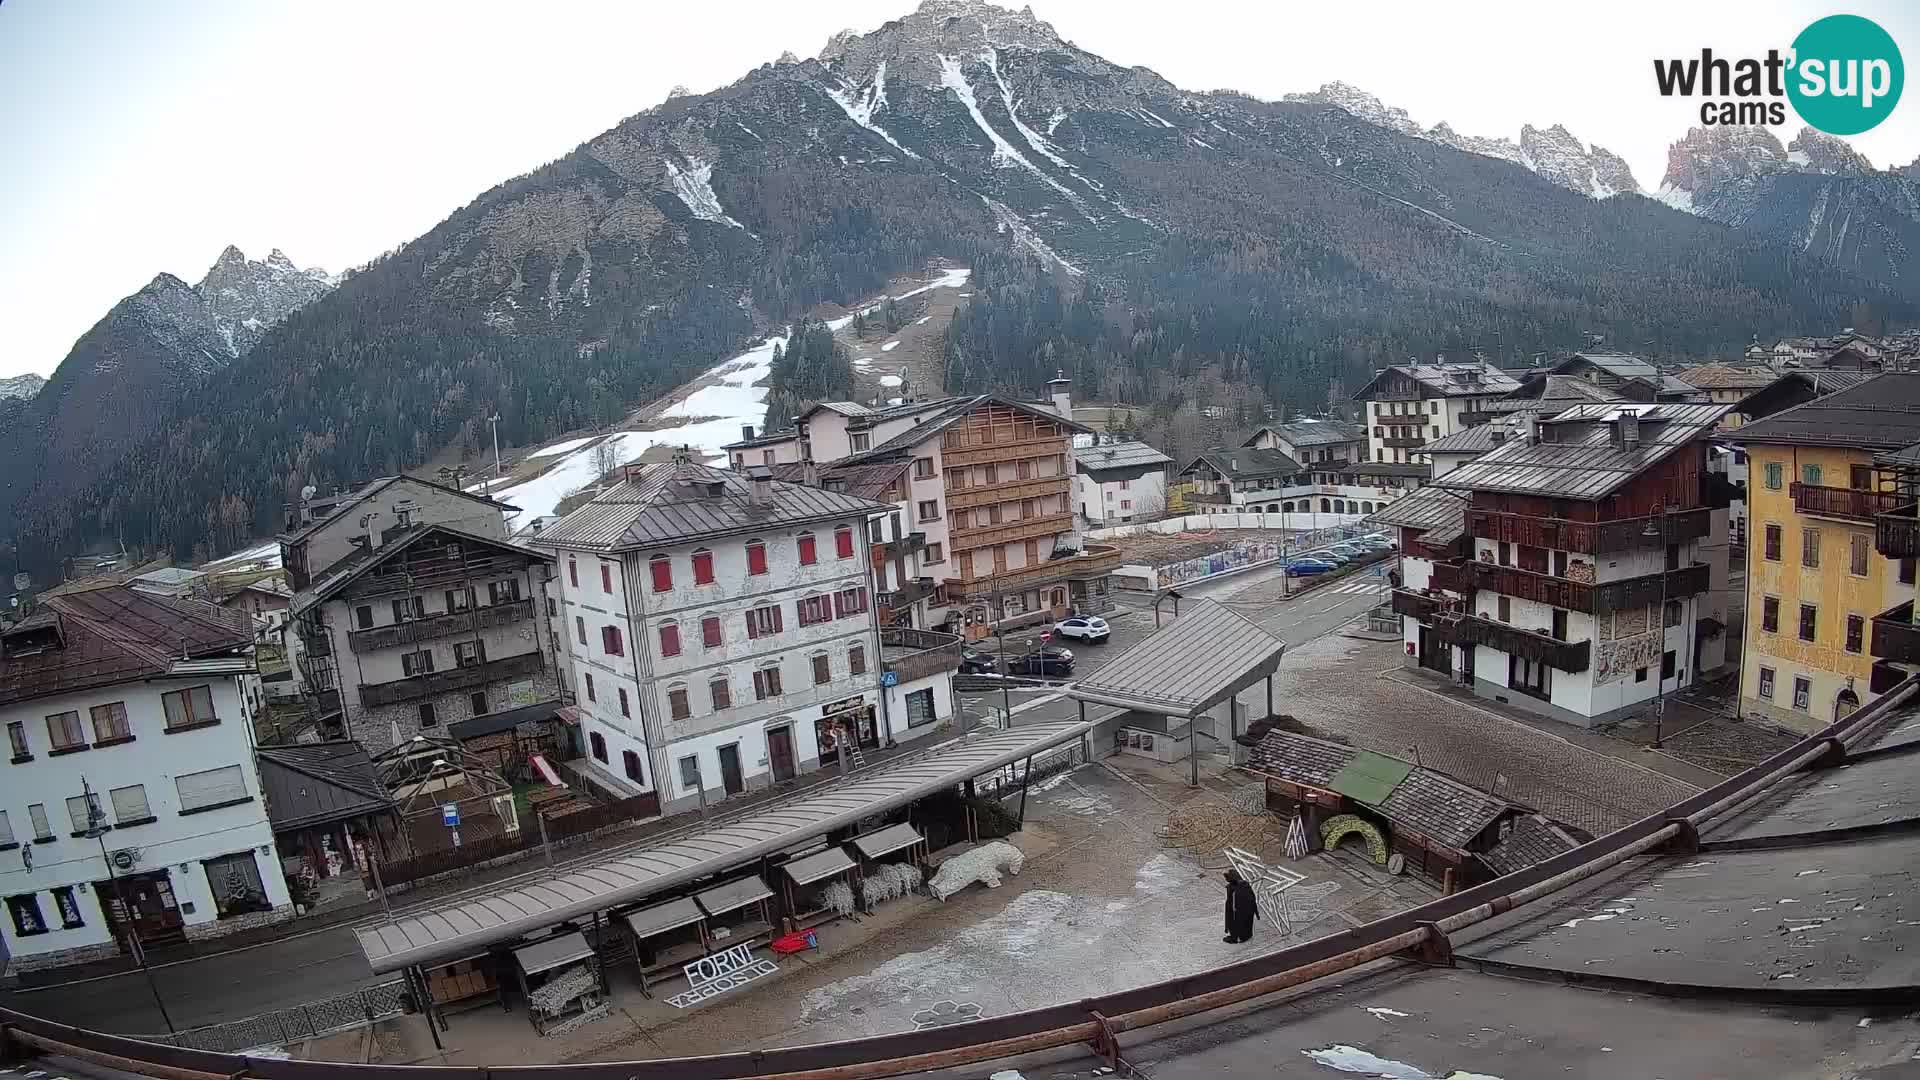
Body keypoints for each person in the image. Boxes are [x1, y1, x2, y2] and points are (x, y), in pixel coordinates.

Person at [1222, 868, 1258, 944]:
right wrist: (1256, 912)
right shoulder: (1246, 885)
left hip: (1237, 911)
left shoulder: (1232, 888)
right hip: (1248, 911)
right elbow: (1253, 899)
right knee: (1247, 923)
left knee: (1236, 922)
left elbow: (1231, 905)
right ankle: (1246, 936)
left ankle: (1235, 938)